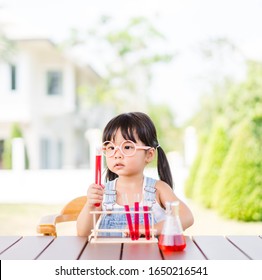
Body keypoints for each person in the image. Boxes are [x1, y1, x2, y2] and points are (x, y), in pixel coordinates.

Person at [77, 112, 194, 237]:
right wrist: (90, 205)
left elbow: (187, 217)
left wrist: (151, 229)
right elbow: (82, 233)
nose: (117, 154)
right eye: (111, 147)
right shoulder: (102, 192)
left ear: (149, 154)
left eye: (127, 147)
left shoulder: (158, 189)